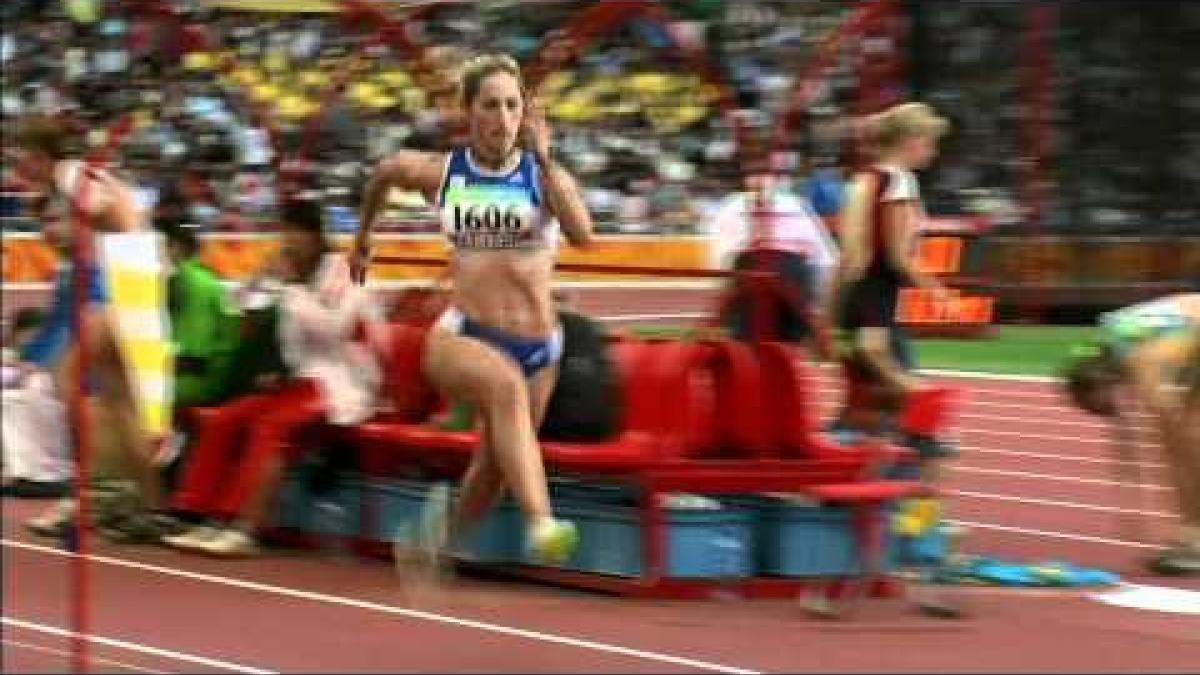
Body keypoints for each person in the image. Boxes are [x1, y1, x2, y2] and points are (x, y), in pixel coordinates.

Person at [356, 54, 593, 568]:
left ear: (525, 112)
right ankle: (543, 524)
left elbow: (584, 235)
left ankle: (438, 548)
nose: (503, 118)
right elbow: (385, 171)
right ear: (468, 111)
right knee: (504, 389)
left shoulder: (543, 175)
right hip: (463, 336)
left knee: (497, 463)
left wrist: (547, 161)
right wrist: (363, 238)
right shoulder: (445, 172)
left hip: (541, 348)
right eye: (490, 105)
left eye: (512, 105)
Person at [163, 200, 384, 557]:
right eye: (285, 233)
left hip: (342, 385)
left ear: (315, 236)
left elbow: (332, 330)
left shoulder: (343, 271)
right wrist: (262, 282)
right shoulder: (285, 272)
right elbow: (241, 307)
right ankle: (201, 517)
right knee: (224, 420)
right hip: (297, 382)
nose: (289, 242)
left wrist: (290, 287)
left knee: (273, 425)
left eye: (296, 233)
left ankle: (245, 527)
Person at [12, 114, 168, 539]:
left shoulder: (69, 174)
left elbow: (107, 208)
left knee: (72, 380)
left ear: (40, 156)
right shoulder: (75, 174)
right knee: (116, 399)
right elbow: (128, 205)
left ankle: (96, 490)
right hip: (135, 265)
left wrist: (84, 211)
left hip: (127, 272)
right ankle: (148, 505)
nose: (14, 171)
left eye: (18, 160)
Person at [1064, 293, 1200, 575]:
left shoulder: (1143, 361)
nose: (1111, 413)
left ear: (1103, 386)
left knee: (1179, 448)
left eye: (1102, 408)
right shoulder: (1113, 342)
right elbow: (1124, 444)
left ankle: (1194, 539)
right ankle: (1192, 537)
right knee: (1178, 442)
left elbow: (1176, 443)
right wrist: (1130, 505)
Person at [827, 102, 949, 396]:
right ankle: (926, 417)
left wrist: (830, 311)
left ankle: (858, 428)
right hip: (880, 287)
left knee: (868, 372)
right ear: (912, 141)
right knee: (895, 368)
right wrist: (935, 290)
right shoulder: (900, 181)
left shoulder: (862, 180)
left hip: (855, 289)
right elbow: (899, 255)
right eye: (931, 143)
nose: (935, 152)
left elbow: (847, 251)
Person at [711, 152, 839, 348]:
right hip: (785, 276)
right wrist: (819, 308)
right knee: (789, 347)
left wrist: (725, 304)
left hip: (761, 276)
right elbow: (824, 260)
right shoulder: (795, 204)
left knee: (751, 346)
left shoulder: (733, 205)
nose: (759, 182)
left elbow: (721, 260)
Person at [2, 308, 72, 498]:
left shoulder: (54, 366)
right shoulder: (8, 360)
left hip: (58, 468)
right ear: (15, 336)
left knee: (34, 390)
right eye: (28, 338)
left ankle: (42, 472)